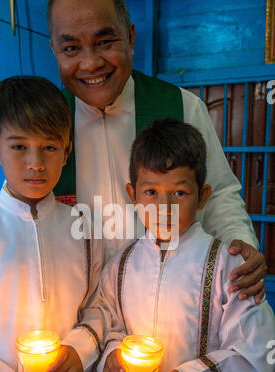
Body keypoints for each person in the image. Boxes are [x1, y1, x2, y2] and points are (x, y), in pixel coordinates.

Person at [46, 0, 267, 305]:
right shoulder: (46, 124)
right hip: (78, 307)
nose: (91, 63)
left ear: (131, 38)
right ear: (55, 50)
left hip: (170, 301)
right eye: (71, 48)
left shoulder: (181, 107)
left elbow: (217, 194)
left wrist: (238, 246)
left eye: (105, 42)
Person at [88, 118, 275, 372]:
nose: (164, 207)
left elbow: (259, 354)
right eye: (151, 192)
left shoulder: (229, 267)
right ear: (132, 194)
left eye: (179, 192)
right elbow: (108, 327)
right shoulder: (120, 266)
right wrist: (110, 362)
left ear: (202, 196)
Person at [0, 76, 106, 372]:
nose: (36, 163)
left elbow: (100, 305)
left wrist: (78, 352)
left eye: (50, 147)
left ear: (66, 153)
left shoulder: (85, 228)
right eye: (19, 146)